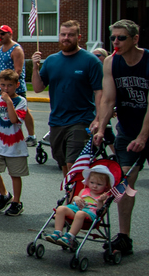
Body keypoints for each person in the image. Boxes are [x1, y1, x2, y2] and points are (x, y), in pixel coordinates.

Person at [92, 19, 147, 256]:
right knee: (125, 182)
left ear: (135, 39)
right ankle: (124, 237)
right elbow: (108, 99)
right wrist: (102, 128)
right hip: (127, 130)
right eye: (113, 37)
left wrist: (143, 136)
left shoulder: (147, 61)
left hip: (145, 128)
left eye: (121, 38)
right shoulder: (112, 62)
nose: (116, 42)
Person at [31, 20, 103, 177]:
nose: (66, 38)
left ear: (79, 37)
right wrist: (35, 68)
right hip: (57, 121)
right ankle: (70, 190)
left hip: (81, 119)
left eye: (70, 35)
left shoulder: (91, 61)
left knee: (73, 163)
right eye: (63, 34)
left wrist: (98, 119)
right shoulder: (52, 60)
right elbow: (37, 88)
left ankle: (78, 191)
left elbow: (99, 92)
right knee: (63, 163)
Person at [0, 25, 36, 145]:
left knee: (23, 110)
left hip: (15, 86)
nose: (0, 36)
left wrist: (10, 86)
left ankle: (32, 136)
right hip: (1, 84)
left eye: (3, 34)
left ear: (10, 34)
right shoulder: (0, 49)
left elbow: (18, 70)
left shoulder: (16, 50)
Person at [0, 70, 29, 217]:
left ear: (17, 85)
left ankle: (16, 202)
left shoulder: (21, 102)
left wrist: (9, 102)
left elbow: (14, 120)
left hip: (15, 145)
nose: (6, 89)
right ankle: (4, 194)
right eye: (3, 85)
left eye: (10, 85)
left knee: (15, 174)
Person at [46, 165, 112, 249]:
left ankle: (70, 237)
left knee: (80, 214)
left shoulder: (104, 196)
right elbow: (75, 201)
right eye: (92, 183)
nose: (94, 186)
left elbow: (101, 212)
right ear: (88, 181)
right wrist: (76, 198)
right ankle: (57, 233)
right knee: (61, 208)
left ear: (106, 186)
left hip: (90, 214)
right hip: (77, 210)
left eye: (99, 184)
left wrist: (100, 201)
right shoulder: (84, 191)